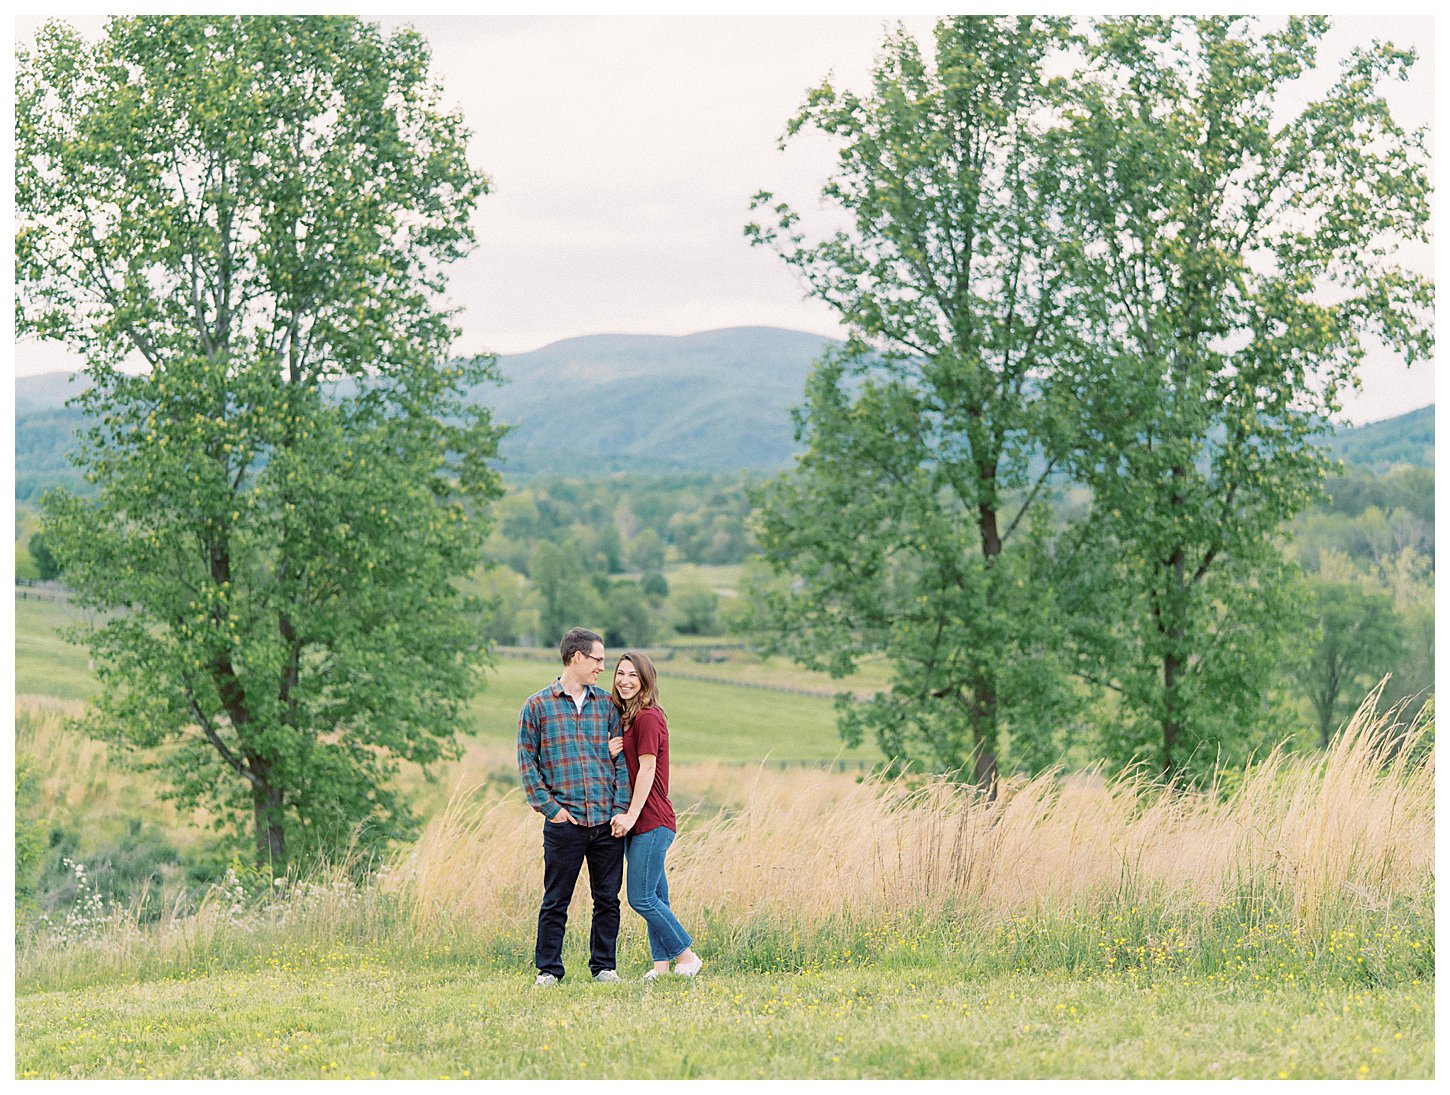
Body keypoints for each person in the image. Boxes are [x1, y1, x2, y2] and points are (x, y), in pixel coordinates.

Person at [517, 626, 631, 987]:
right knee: (556, 900)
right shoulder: (537, 706)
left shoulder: (607, 706)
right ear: (577, 657)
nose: (602, 667)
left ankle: (604, 967)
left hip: (605, 821)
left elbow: (622, 764)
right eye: (598, 659)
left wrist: (620, 809)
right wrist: (552, 811)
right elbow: (527, 764)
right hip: (565, 822)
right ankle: (548, 969)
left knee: (607, 900)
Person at [608, 650, 703, 980]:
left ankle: (686, 956)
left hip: (651, 821)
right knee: (657, 896)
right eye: (620, 673)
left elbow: (647, 768)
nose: (625, 680)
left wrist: (632, 816)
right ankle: (661, 966)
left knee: (641, 898)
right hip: (641, 823)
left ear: (646, 680)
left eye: (633, 675)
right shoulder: (628, 719)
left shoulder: (648, 717)